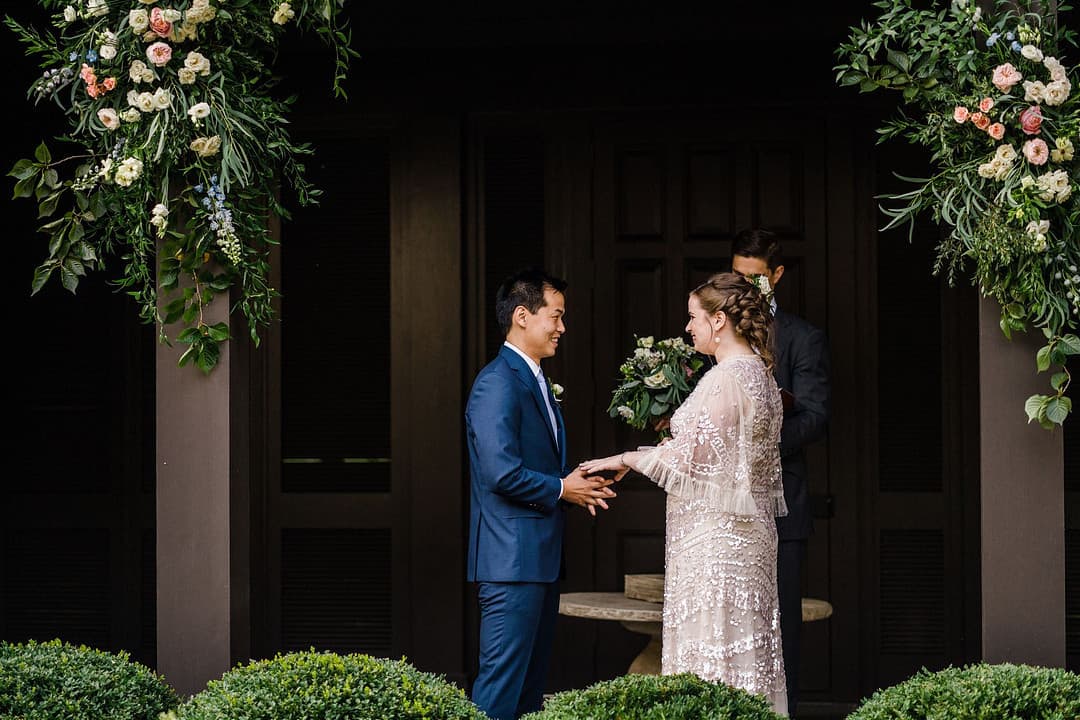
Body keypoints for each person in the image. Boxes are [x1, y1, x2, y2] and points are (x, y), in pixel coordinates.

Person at [580, 273, 788, 715]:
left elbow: (688, 461)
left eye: (693, 317)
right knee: (746, 656)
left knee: (711, 656)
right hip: (749, 544)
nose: (688, 327)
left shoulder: (726, 379)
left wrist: (624, 458)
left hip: (713, 547)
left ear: (719, 320)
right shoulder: (764, 379)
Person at [466, 268, 617, 720]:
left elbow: (534, 466)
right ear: (522, 316)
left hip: (536, 561)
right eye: (557, 316)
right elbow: (500, 472)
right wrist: (560, 488)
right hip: (511, 564)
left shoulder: (530, 379)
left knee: (529, 691)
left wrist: (577, 481)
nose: (562, 327)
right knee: (500, 689)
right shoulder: (497, 382)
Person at [731, 228, 830, 716]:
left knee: (778, 630)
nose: (746, 288)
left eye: (756, 279)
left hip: (781, 509)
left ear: (777, 276)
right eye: (738, 277)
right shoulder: (711, 331)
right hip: (721, 509)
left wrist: (760, 438)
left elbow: (815, 416)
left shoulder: (801, 338)